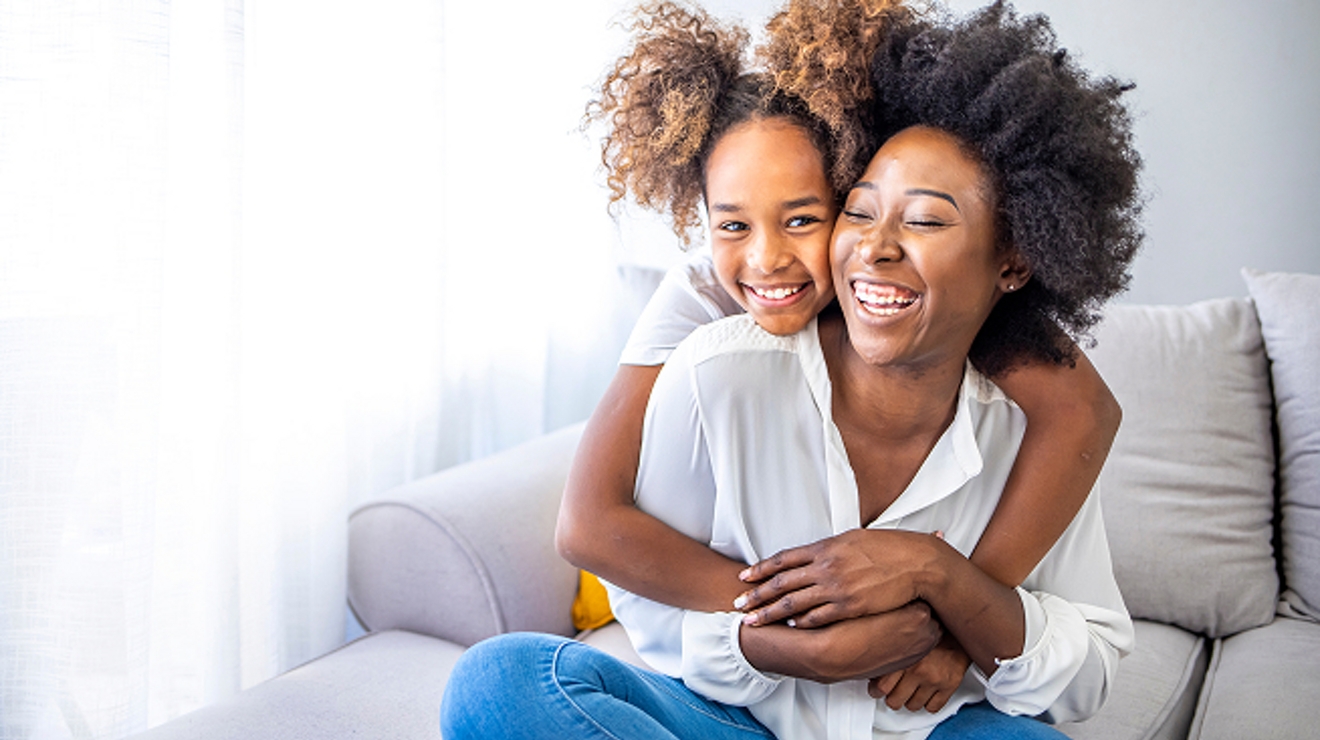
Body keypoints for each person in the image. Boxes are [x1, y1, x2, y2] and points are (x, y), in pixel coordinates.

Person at [440, 2, 1141, 738]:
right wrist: (792, 634)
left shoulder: (1007, 394)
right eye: (733, 224)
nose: (769, 258)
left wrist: (949, 593)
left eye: (805, 218)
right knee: (499, 683)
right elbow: (596, 533)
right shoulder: (706, 345)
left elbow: (1084, 412)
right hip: (740, 713)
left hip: (925, 725)